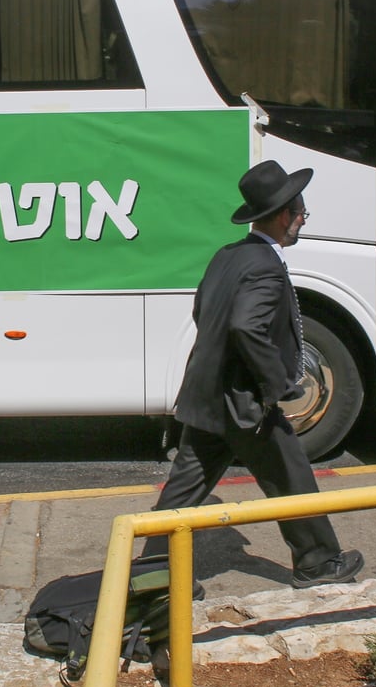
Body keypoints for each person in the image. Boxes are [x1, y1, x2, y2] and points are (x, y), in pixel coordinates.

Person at [142, 160, 364, 589]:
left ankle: (153, 573)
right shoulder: (264, 264)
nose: (302, 220)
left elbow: (204, 311)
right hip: (245, 402)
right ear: (285, 215)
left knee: (185, 489)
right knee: (292, 475)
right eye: (302, 213)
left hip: (208, 397)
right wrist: (277, 384)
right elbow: (246, 325)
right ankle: (317, 563)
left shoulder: (229, 255)